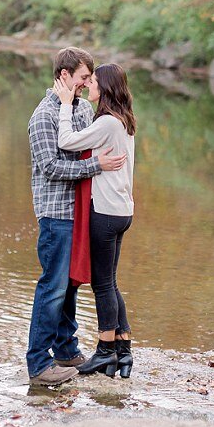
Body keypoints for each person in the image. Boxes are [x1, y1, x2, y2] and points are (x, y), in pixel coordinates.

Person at [25, 47, 126, 388]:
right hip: (56, 214)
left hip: (84, 211)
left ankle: (66, 350)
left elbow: (92, 143)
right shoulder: (42, 117)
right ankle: (39, 364)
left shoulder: (82, 109)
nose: (86, 84)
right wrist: (97, 166)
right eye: (83, 77)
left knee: (70, 287)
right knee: (52, 287)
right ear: (64, 75)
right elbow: (51, 167)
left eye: (90, 78)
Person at [52, 62, 137, 379]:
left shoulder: (107, 124)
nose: (90, 86)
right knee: (110, 283)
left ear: (107, 87)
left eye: (94, 82)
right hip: (122, 210)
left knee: (102, 285)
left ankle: (104, 352)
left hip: (106, 211)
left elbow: (66, 141)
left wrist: (64, 105)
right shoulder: (124, 121)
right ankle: (123, 350)